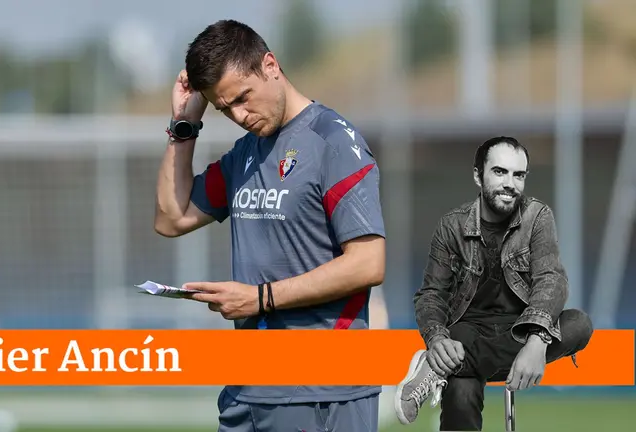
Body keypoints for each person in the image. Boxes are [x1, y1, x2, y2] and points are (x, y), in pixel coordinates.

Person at [153, 19, 386, 432]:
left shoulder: (333, 142)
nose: (239, 116)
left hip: (322, 393)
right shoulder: (248, 151)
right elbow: (172, 218)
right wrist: (183, 127)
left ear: (271, 65)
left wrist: (260, 298)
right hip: (248, 389)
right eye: (225, 109)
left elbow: (368, 264)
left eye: (243, 98)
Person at [393, 136, 594, 431]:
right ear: (478, 176)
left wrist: (537, 340)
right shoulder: (452, 226)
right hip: (468, 331)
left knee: (579, 324)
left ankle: (437, 370)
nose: (510, 183)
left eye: (518, 175)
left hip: (521, 332)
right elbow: (432, 294)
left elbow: (550, 279)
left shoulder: (537, 217)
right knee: (459, 381)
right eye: (500, 172)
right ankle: (447, 363)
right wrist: (436, 340)